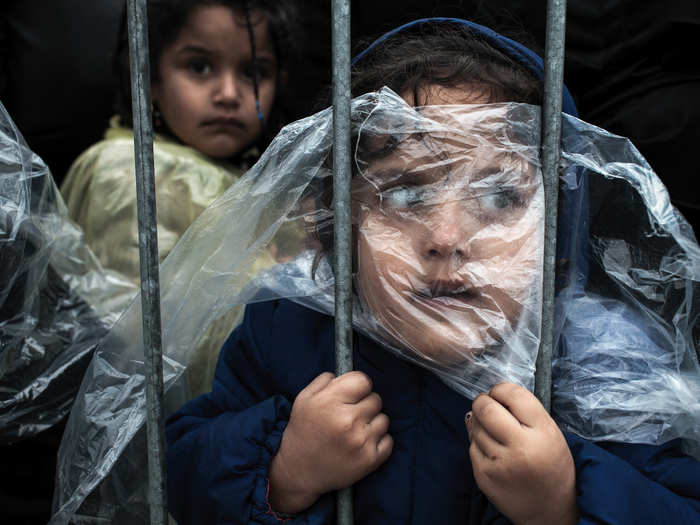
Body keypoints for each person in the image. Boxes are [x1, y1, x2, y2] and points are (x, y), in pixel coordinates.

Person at [149, 18, 700, 525]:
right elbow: (179, 474)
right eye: (406, 193)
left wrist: (564, 500)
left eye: (501, 196)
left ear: (558, 233)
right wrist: (285, 471)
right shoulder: (285, 332)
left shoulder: (598, 367)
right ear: (335, 227)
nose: (447, 239)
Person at [60, 0, 297, 293]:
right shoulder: (127, 173)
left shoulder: (269, 181)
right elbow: (134, 325)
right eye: (200, 67)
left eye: (254, 73)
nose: (229, 94)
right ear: (149, 77)